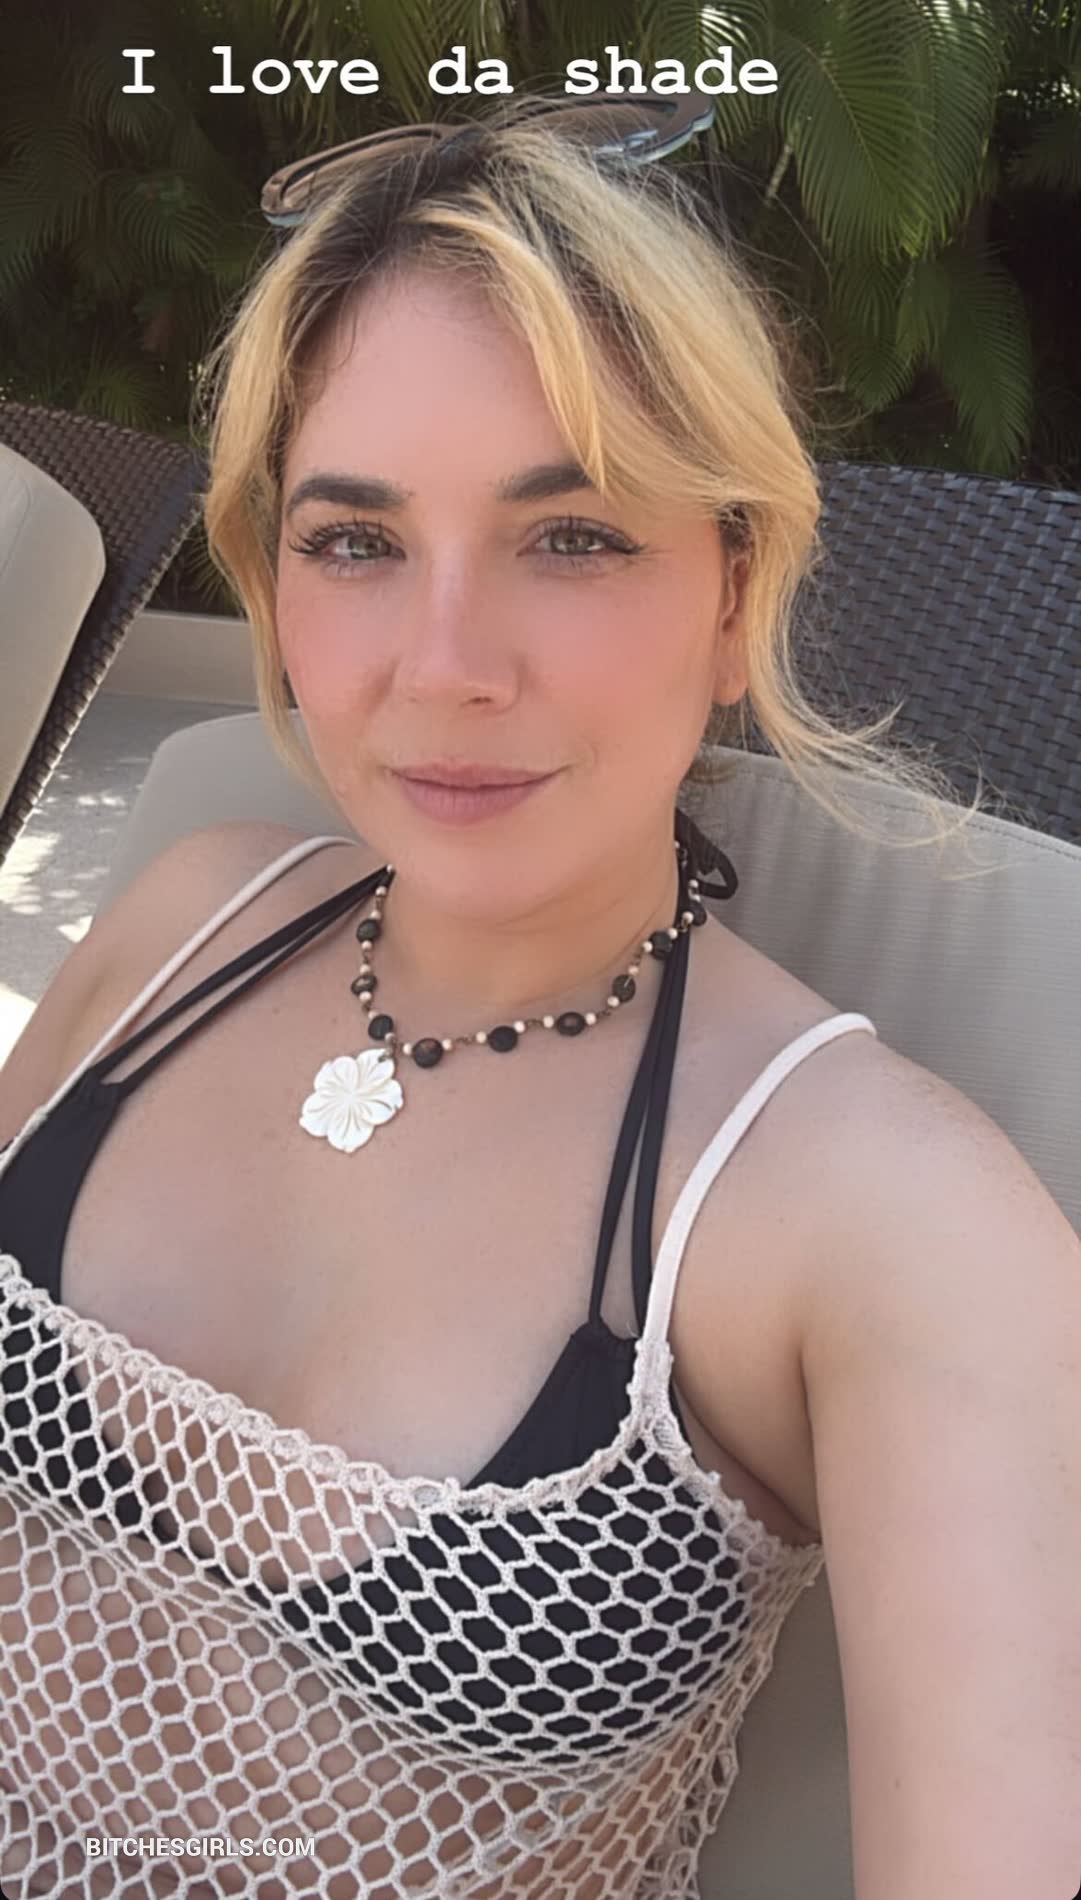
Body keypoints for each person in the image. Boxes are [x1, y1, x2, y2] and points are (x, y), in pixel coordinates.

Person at [1, 93, 1078, 1900]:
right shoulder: (182, 922)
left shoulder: (885, 1218)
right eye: (355, 542)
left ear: (735, 593)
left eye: (569, 535)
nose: (442, 669)